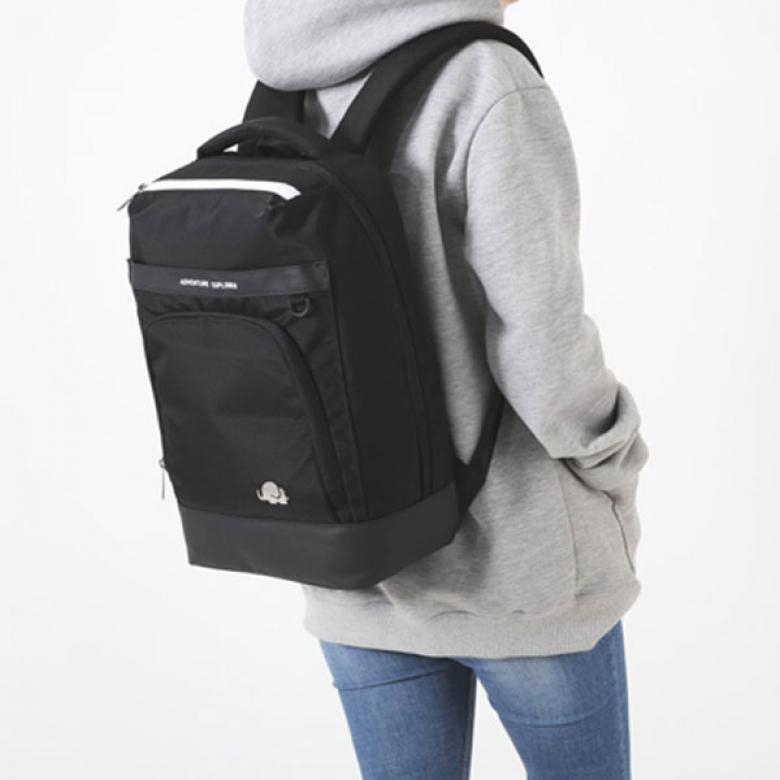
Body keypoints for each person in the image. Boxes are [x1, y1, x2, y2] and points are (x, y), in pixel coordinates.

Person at [244, 0, 649, 777]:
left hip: (356, 563)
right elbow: (543, 351)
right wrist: (614, 457)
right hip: (521, 571)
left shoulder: (284, 83)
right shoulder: (485, 78)